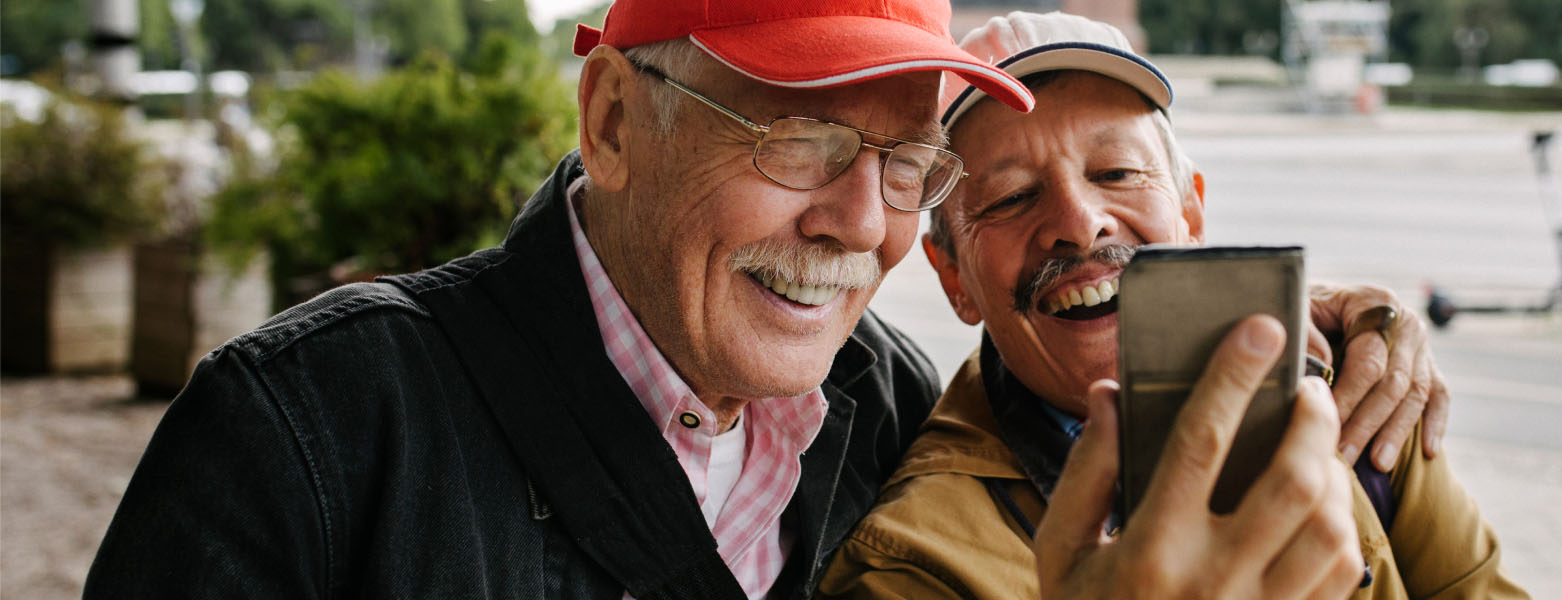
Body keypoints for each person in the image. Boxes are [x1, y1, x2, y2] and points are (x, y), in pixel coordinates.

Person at [85, 1, 1440, 598]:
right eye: (795, 134)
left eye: (909, 159)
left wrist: (1329, 333)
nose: (861, 221)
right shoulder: (307, 439)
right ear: (613, 117)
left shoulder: (897, 414)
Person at [819, 12, 1529, 599]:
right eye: (1011, 197)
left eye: (1117, 172)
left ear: (1191, 214)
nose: (1080, 220)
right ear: (954, 279)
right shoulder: (913, 566)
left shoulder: (1351, 389)